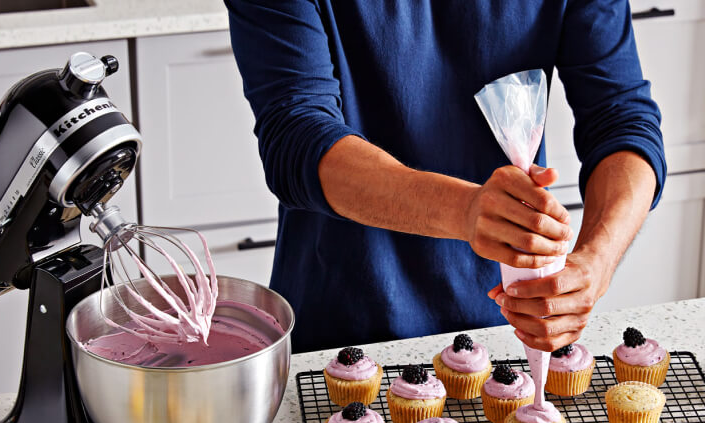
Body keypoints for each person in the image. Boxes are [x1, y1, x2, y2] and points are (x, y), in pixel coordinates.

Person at [224, 1, 665, 353]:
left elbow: (622, 120)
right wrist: (466, 210)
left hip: (510, 331)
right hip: (342, 331)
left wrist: (595, 262)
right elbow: (298, 137)